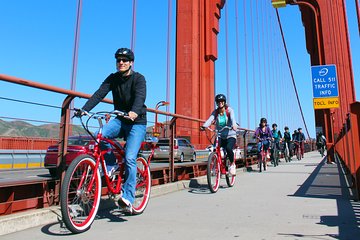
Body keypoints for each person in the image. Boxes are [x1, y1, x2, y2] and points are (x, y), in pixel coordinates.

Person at [74, 48, 147, 213]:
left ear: (131, 63)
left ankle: (128, 197)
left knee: (129, 158)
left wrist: (134, 112)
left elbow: (140, 97)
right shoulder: (113, 78)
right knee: (100, 135)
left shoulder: (139, 78)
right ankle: (111, 164)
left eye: (125, 60)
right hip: (120, 119)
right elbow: (99, 94)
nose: (121, 62)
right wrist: (84, 109)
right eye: (118, 60)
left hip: (137, 122)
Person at [200, 94, 238, 175]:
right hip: (220, 135)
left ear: (224, 102)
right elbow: (210, 119)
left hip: (230, 135)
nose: (220, 103)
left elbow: (233, 119)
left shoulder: (229, 110)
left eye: (222, 101)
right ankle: (215, 166)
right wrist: (204, 126)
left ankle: (232, 164)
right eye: (218, 101)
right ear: (216, 103)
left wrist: (234, 125)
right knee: (214, 149)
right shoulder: (216, 112)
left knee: (228, 148)